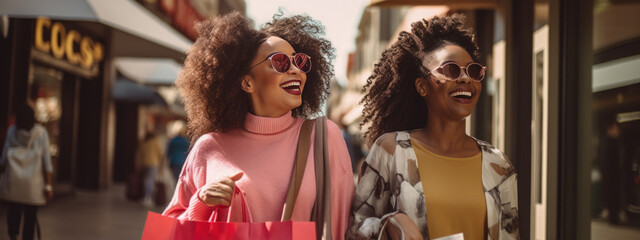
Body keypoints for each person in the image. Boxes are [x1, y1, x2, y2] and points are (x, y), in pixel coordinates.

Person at [162, 12, 355, 240]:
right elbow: (169, 231)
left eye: (298, 61)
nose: (296, 70)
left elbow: (343, 225)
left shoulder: (323, 137)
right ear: (247, 82)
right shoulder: (209, 147)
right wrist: (200, 203)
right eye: (280, 62)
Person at [347, 14, 519, 240]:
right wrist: (389, 224)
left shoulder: (499, 165)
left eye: (473, 71)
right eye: (451, 70)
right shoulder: (391, 150)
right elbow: (354, 229)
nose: (466, 79)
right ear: (422, 86)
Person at [0, 104, 53, 240]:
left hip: (14, 181)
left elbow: (4, 157)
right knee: (30, 217)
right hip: (33, 185)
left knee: (14, 211)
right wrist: (48, 186)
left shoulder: (12, 131)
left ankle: (13, 235)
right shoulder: (41, 133)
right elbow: (47, 161)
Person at [137, 130, 164, 207]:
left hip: (144, 163)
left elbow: (139, 154)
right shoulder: (156, 142)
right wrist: (161, 165)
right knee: (151, 181)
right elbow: (160, 154)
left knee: (146, 180)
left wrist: (138, 164)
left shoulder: (143, 143)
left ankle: (146, 197)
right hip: (153, 163)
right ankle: (148, 198)